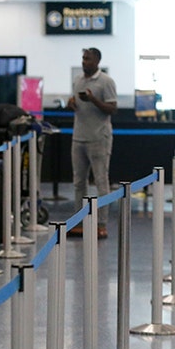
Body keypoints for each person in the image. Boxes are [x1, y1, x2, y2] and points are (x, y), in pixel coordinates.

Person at [67, 47, 117, 239]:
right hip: (78, 137)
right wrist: (72, 102)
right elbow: (76, 103)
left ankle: (101, 224)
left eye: (88, 59)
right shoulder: (77, 80)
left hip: (99, 139)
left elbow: (112, 109)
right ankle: (79, 222)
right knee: (78, 182)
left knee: (101, 182)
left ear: (97, 61)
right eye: (83, 58)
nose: (84, 62)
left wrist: (93, 99)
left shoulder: (106, 82)